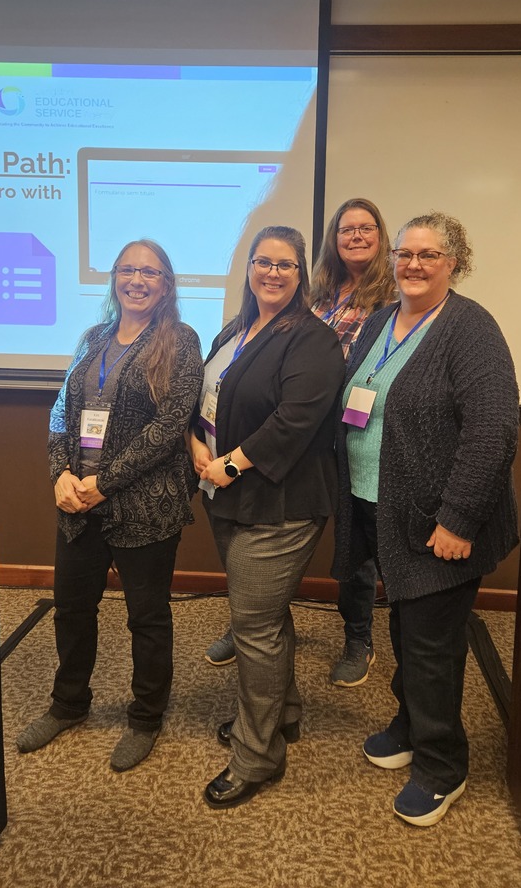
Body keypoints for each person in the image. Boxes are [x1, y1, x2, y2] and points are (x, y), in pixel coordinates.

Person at [333, 212, 519, 827]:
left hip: (440, 523)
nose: (413, 265)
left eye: (429, 255)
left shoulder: (471, 329)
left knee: (433, 644)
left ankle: (443, 766)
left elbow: (492, 431)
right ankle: (410, 724)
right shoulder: (384, 319)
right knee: (407, 628)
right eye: (405, 253)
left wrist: (460, 520)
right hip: (382, 511)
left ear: (454, 263)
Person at [16, 239, 203, 772]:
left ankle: (146, 716)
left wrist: (104, 482)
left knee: (146, 616)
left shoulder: (181, 341)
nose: (136, 280)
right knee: (73, 608)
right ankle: (69, 703)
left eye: (149, 272)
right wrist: (61, 476)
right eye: (127, 270)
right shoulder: (92, 337)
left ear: (166, 284)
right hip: (77, 502)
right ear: (114, 278)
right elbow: (60, 412)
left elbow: (170, 428)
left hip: (146, 504)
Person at [204, 198, 396, 688]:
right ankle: (253, 620)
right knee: (260, 592)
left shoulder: (394, 296)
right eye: (345, 229)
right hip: (297, 433)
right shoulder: (319, 296)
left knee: (357, 548)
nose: (355, 236)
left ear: (381, 236)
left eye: (365, 228)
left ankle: (358, 638)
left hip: (356, 432)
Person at [191, 225, 344, 808]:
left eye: (285, 264)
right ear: (250, 269)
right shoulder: (234, 329)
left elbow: (295, 420)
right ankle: (285, 714)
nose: (272, 273)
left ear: (301, 273)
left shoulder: (313, 340)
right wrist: (196, 449)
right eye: (263, 262)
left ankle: (257, 757)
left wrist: (231, 460)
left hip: (281, 505)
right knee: (267, 618)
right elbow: (206, 399)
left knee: (253, 629)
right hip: (226, 493)